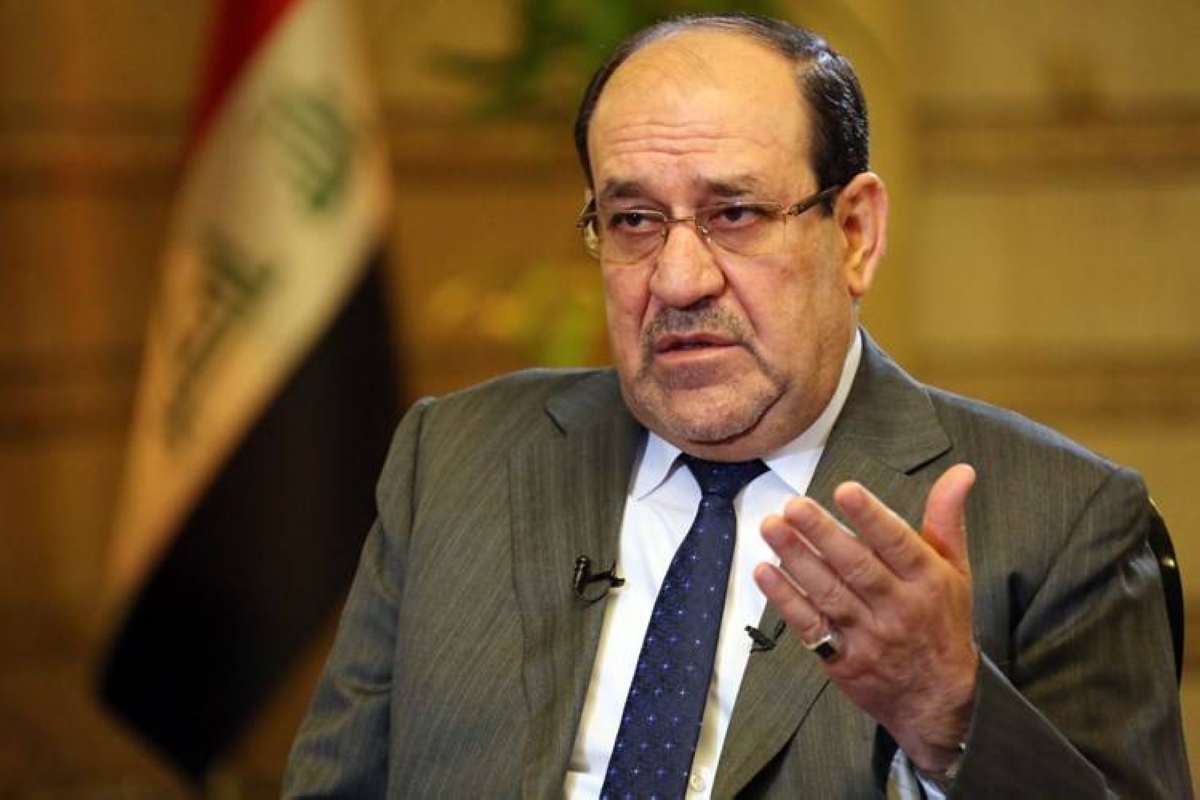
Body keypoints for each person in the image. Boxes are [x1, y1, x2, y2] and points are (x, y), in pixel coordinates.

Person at [284, 12, 1191, 799]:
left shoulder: (1059, 521)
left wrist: (951, 717)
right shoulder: (454, 458)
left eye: (735, 215)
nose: (678, 279)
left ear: (854, 233)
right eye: (634, 221)